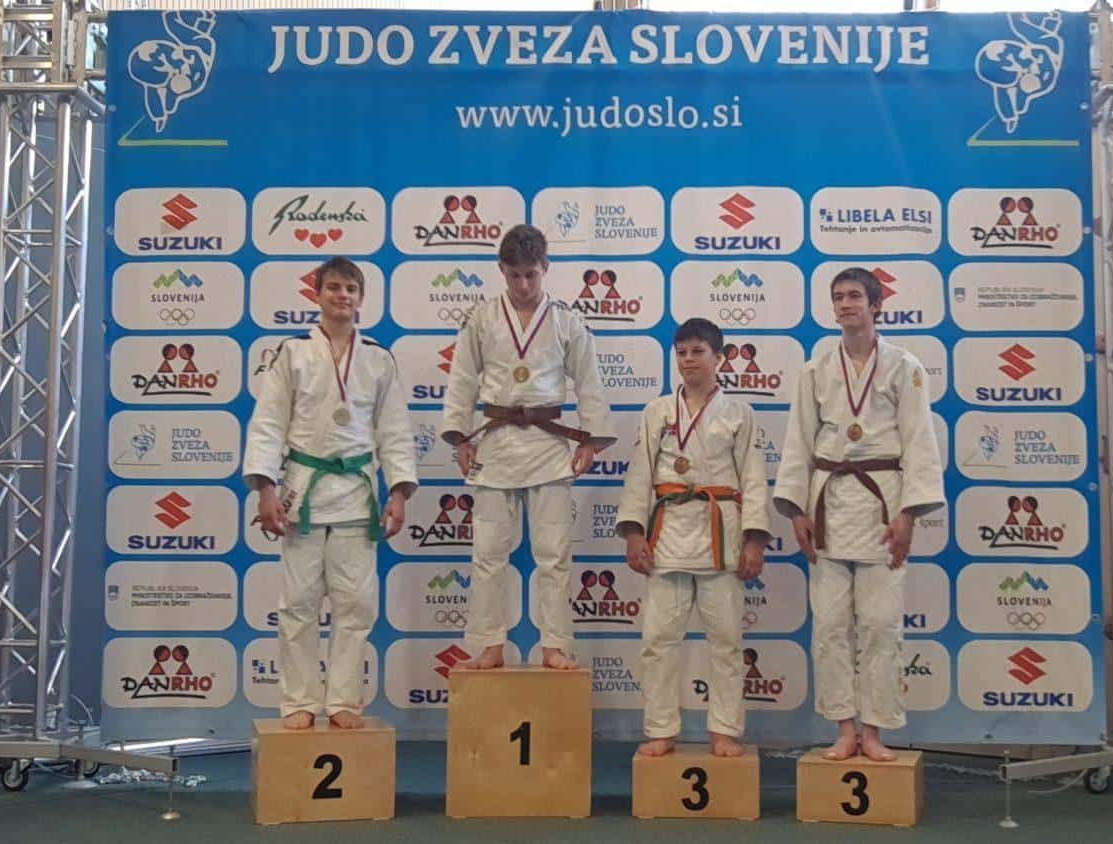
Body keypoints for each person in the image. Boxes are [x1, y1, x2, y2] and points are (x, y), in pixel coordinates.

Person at [773, 267, 944, 761]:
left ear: (875, 305)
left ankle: (874, 730)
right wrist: (797, 510)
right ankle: (844, 728)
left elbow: (918, 440)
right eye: (838, 297)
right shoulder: (815, 369)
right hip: (828, 504)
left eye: (854, 296)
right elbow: (799, 441)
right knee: (829, 627)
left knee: (881, 625)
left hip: (882, 503)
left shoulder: (905, 366)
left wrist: (908, 513)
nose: (845, 304)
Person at [243, 257, 418, 729]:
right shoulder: (293, 353)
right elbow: (268, 424)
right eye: (334, 287)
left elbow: (395, 431)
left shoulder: (378, 359)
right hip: (303, 491)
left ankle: (343, 700)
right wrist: (265, 489)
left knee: (355, 605)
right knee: (298, 604)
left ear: (362, 298)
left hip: (357, 495)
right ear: (317, 294)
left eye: (351, 289)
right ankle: (299, 700)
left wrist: (398, 493)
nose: (342, 296)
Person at [440, 224, 615, 670]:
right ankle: (490, 644)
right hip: (496, 442)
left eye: (531, 274)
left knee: (553, 554)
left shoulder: (566, 319)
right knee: (488, 553)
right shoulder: (481, 318)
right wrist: (460, 437)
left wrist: (592, 439)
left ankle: (554, 644)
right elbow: (462, 380)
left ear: (545, 268)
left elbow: (589, 381)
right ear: (501, 270)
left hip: (548, 443)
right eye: (514, 275)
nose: (523, 285)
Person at [618, 317, 770, 758]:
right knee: (658, 641)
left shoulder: (740, 413)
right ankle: (661, 728)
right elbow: (640, 474)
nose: (688, 360)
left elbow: (754, 479)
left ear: (718, 357)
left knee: (726, 642)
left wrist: (755, 540)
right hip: (667, 537)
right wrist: (634, 533)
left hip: (720, 535)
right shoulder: (657, 411)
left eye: (698, 352)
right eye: (681, 352)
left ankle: (724, 729)